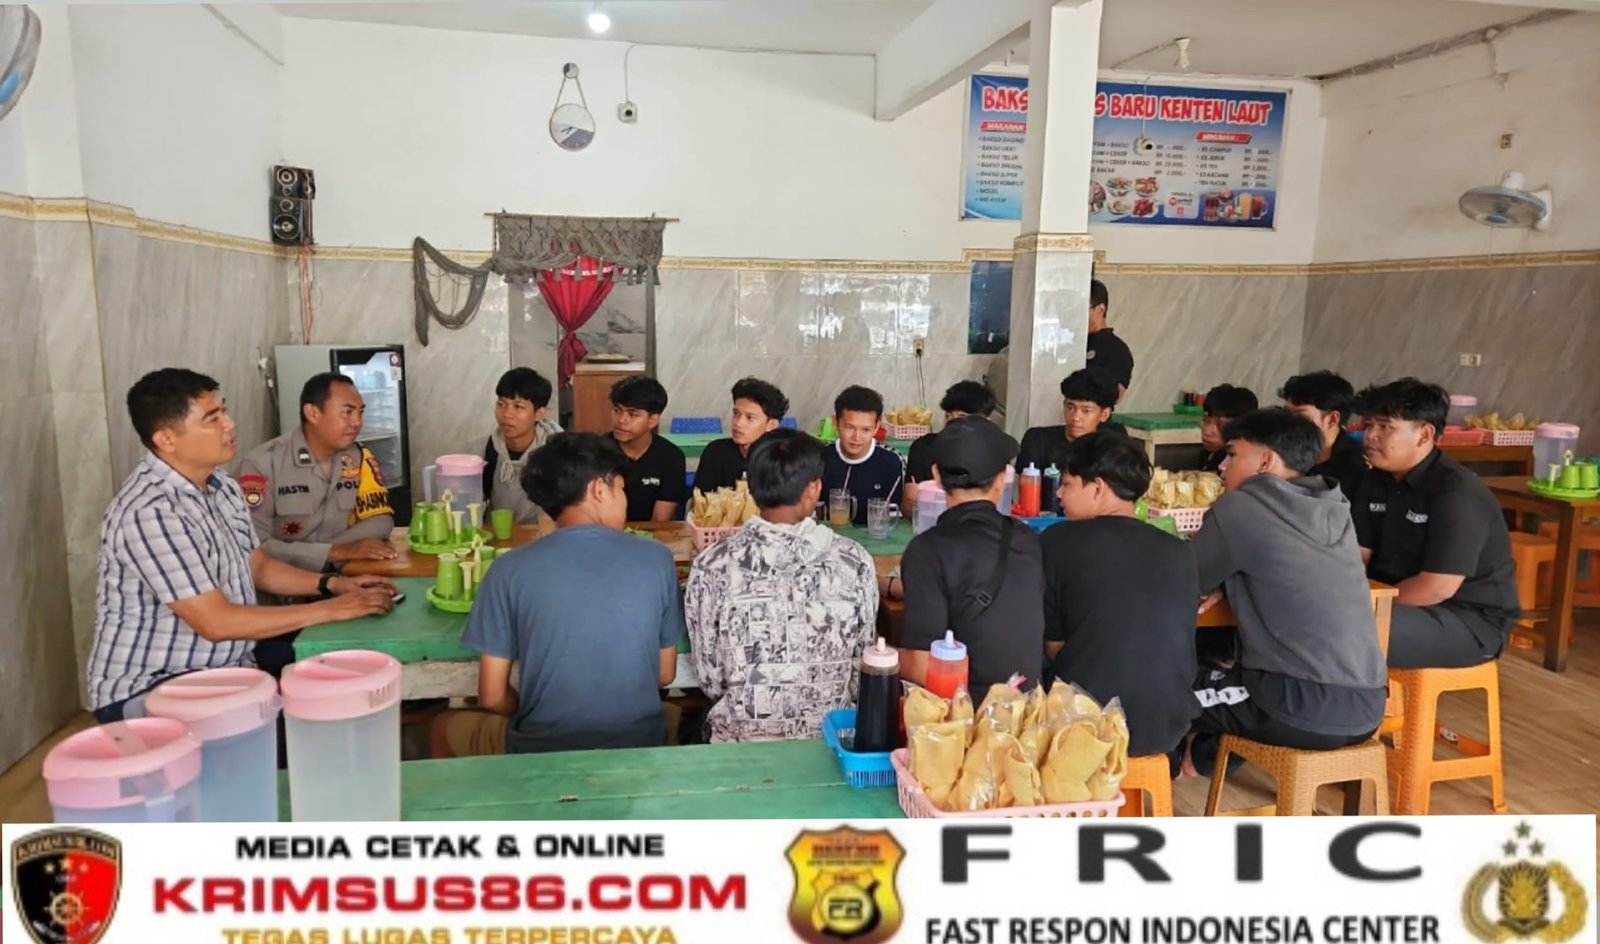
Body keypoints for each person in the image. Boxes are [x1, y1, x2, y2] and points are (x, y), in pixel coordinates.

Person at [87, 368, 397, 722]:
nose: (229, 424)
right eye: (212, 418)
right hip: (158, 684)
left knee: (346, 667)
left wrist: (333, 585)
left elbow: (258, 566)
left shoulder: (221, 487)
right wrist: (332, 609)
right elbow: (216, 622)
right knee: (313, 724)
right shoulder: (151, 511)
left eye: (224, 411)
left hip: (230, 662)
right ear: (167, 439)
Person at [444, 433, 683, 755]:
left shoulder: (507, 570)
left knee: (441, 727)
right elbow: (664, 674)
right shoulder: (657, 559)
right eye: (621, 489)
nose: (624, 501)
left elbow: (491, 696)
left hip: (541, 748)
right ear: (599, 489)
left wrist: (534, 711)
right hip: (637, 742)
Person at [1185, 409, 1388, 775]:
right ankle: (1201, 761)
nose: (1222, 466)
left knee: (1156, 690)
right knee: (1226, 681)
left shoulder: (1240, 506)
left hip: (1299, 704)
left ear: (1265, 461)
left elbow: (1185, 581)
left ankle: (1177, 774)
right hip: (1368, 707)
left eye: (1232, 454)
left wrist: (1221, 581)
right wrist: (1230, 585)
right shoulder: (1334, 507)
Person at [685, 429, 879, 742]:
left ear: (750, 487)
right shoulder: (854, 561)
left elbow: (710, 678)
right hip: (831, 742)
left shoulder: (711, 565)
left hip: (740, 743)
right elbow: (860, 667)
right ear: (813, 489)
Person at [1042, 432, 1198, 759]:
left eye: (1067, 484)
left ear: (1098, 488)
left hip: (1088, 725)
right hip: (1165, 726)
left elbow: (1053, 647)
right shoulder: (1179, 550)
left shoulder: (1058, 541)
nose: (1059, 494)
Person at [238, 371, 397, 675]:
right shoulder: (262, 465)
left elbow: (381, 520)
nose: (357, 422)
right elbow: (255, 549)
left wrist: (337, 556)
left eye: (360, 412)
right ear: (312, 412)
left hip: (335, 590)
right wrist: (335, 552)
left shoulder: (357, 457)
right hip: (279, 611)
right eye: (347, 412)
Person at [1352, 379, 1518, 669]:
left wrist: (1365, 605)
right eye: (1368, 425)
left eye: (1385, 427)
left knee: (1344, 630)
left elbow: (1437, 587)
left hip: (1467, 619)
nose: (1370, 436)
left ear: (1424, 434)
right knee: (1310, 615)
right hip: (1398, 603)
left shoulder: (1456, 492)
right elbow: (1356, 555)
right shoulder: (1375, 479)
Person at [900, 416, 1045, 692]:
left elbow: (922, 667)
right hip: (1026, 709)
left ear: (936, 476)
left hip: (968, 712)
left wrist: (883, 654)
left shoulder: (927, 550)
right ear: (1001, 480)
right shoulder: (1026, 539)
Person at [479, 368, 562, 524]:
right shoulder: (483, 450)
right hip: (497, 534)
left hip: (543, 535)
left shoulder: (558, 452)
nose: (507, 414)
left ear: (539, 413)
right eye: (501, 404)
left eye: (518, 407)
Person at [821, 385, 905, 525]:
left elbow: (893, 519)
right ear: (835, 422)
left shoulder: (891, 461)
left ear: (877, 427)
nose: (856, 437)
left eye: (866, 430)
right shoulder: (820, 457)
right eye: (849, 427)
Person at [1016, 367, 1125, 474]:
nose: (1075, 417)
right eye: (1070, 407)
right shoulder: (1038, 441)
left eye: (1086, 411)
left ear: (1104, 414)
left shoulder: (1112, 446)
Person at [609, 376, 686, 522]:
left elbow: (660, 520)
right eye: (617, 410)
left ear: (652, 420)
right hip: (604, 533)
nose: (621, 420)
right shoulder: (596, 452)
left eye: (632, 414)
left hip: (652, 533)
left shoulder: (671, 457)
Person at [692, 377, 788, 493]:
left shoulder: (785, 460)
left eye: (749, 418)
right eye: (736, 414)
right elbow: (699, 499)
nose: (738, 423)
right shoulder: (715, 452)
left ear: (771, 425)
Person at [1281, 370, 1366, 500]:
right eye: (1286, 414)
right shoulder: (1282, 452)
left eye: (1301, 417)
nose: (1289, 423)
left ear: (1332, 419)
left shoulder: (1356, 466)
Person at [906, 381, 996, 485]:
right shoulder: (923, 448)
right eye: (948, 416)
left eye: (962, 416)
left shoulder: (995, 456)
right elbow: (911, 494)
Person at [1084, 279, 1134, 402]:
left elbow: (1113, 396)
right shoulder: (1068, 344)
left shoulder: (1116, 350)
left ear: (1100, 310)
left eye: (1081, 310)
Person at [1199, 384, 1259, 472]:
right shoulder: (1208, 454)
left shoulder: (1238, 465)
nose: (1207, 432)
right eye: (1206, 420)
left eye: (1220, 425)